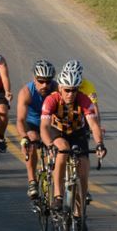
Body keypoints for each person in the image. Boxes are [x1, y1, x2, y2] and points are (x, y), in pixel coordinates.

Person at [40, 68, 106, 218]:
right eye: (67, 90)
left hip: (77, 132)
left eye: (74, 90)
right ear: (60, 88)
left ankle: (80, 211)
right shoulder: (51, 99)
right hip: (57, 131)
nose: (71, 94)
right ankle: (58, 196)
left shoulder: (83, 100)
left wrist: (100, 144)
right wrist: (49, 145)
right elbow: (43, 127)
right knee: (63, 150)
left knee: (83, 168)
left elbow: (94, 125)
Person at [16, 59, 57, 199]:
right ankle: (32, 181)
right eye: (41, 81)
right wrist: (24, 137)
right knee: (32, 139)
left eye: (48, 81)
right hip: (32, 123)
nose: (45, 85)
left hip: (50, 124)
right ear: (34, 79)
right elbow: (20, 121)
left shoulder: (57, 89)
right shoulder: (26, 92)